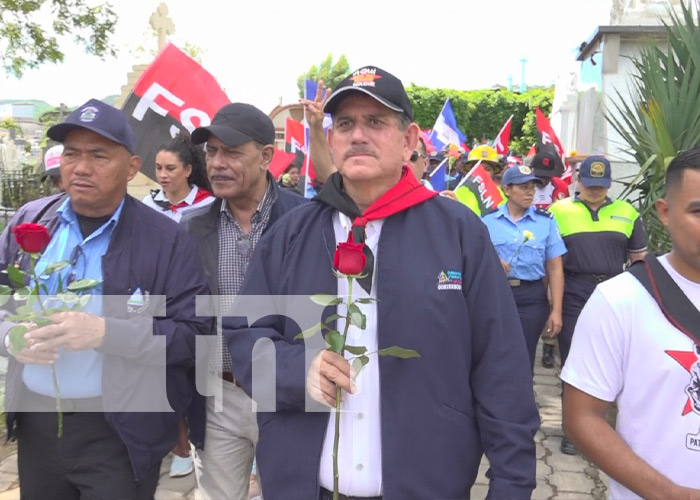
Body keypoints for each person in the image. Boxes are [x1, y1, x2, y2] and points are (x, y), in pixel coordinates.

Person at [224, 66, 539, 499]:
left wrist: (511, 485)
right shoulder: (289, 235)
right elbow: (243, 338)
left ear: (409, 140)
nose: (358, 135)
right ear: (331, 141)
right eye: (346, 124)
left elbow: (502, 366)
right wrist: (298, 370)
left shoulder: (458, 233)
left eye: (376, 122)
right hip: (304, 487)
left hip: (427, 486)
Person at [0, 98, 212, 500]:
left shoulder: (165, 239)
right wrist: (11, 334)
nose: (81, 167)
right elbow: (2, 299)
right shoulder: (30, 222)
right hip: (38, 424)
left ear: (132, 167)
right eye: (72, 154)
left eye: (99, 155)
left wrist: (105, 332)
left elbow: (195, 333)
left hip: (121, 431)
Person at [183, 102, 308, 500]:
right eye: (212, 152)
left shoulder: (304, 219)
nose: (217, 163)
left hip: (286, 393)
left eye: (232, 152)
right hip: (217, 396)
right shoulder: (192, 226)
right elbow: (181, 314)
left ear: (266, 156)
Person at [561, 147, 700, 499]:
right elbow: (582, 418)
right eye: (698, 212)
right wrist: (667, 493)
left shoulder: (624, 214)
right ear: (665, 213)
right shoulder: (620, 301)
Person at [549, 155, 647, 455]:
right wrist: (553, 305)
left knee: (613, 362)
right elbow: (551, 263)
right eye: (589, 185)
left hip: (614, 291)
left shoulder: (627, 213)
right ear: (578, 181)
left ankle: (600, 427)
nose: (594, 191)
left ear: (609, 184)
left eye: (600, 186)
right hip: (574, 290)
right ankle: (572, 430)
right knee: (573, 362)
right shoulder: (558, 212)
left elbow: (639, 261)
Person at [482, 165, 566, 370]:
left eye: (533, 187)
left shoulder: (545, 222)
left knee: (524, 355)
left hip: (530, 297)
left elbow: (555, 268)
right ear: (507, 189)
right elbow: (473, 257)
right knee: (493, 354)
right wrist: (492, 261)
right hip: (496, 294)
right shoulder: (487, 220)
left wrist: (556, 310)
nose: (530, 192)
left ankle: (522, 400)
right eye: (523, 187)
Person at [530, 149, 571, 369]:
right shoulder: (525, 186)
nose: (542, 179)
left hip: (553, 248)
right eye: (540, 175)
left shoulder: (560, 188)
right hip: (530, 250)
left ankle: (548, 343)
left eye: (547, 175)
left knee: (552, 297)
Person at [141, 133, 215, 222]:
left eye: (170, 168)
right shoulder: (148, 204)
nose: (162, 175)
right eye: (158, 168)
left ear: (188, 170)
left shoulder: (208, 204)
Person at [452, 145, 507, 215]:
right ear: (470, 170)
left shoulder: (503, 196)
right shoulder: (457, 193)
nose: (482, 172)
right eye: (478, 168)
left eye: (487, 169)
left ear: (493, 172)